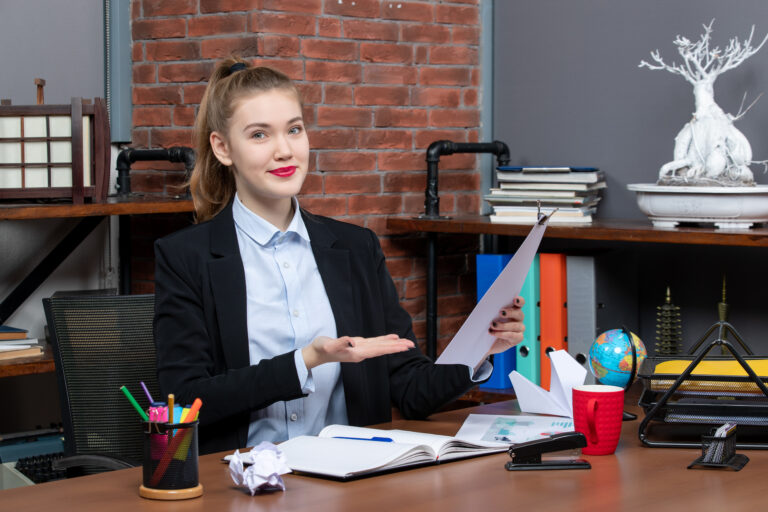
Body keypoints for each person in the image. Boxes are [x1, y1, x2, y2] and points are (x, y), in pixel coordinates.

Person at [153, 58, 525, 455]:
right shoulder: (184, 257)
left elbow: (409, 387)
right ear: (223, 148)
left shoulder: (356, 248)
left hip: (350, 479)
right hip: (241, 481)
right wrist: (306, 360)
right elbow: (187, 399)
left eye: (294, 130)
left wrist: (480, 351)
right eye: (260, 135)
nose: (285, 150)